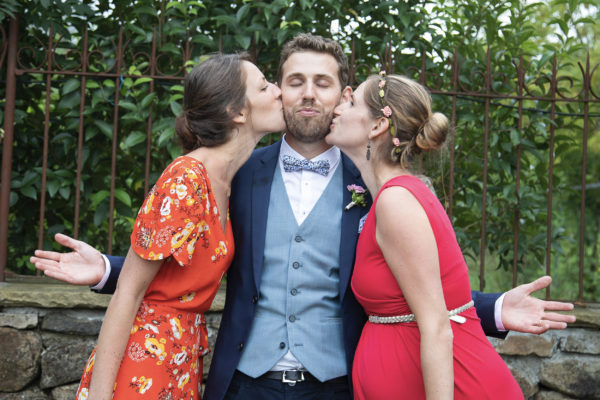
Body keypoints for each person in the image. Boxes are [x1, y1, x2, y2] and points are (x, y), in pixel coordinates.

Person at [31, 34, 575, 400]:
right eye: (293, 81)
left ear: (343, 96)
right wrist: (107, 269)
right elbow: (186, 254)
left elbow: (417, 293)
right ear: (281, 92)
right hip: (244, 381)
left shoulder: (377, 185)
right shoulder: (236, 172)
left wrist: (498, 308)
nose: (308, 93)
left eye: (323, 82)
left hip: (338, 380)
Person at [70, 54, 285, 399]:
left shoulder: (232, 181)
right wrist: (99, 395)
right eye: (264, 86)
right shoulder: (186, 180)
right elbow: (130, 292)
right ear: (237, 112)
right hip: (145, 363)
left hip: (183, 359)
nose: (278, 91)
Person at [326, 73, 526, 398]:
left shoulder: (397, 201)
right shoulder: (393, 195)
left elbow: (436, 326)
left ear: (377, 126)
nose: (337, 107)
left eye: (350, 102)